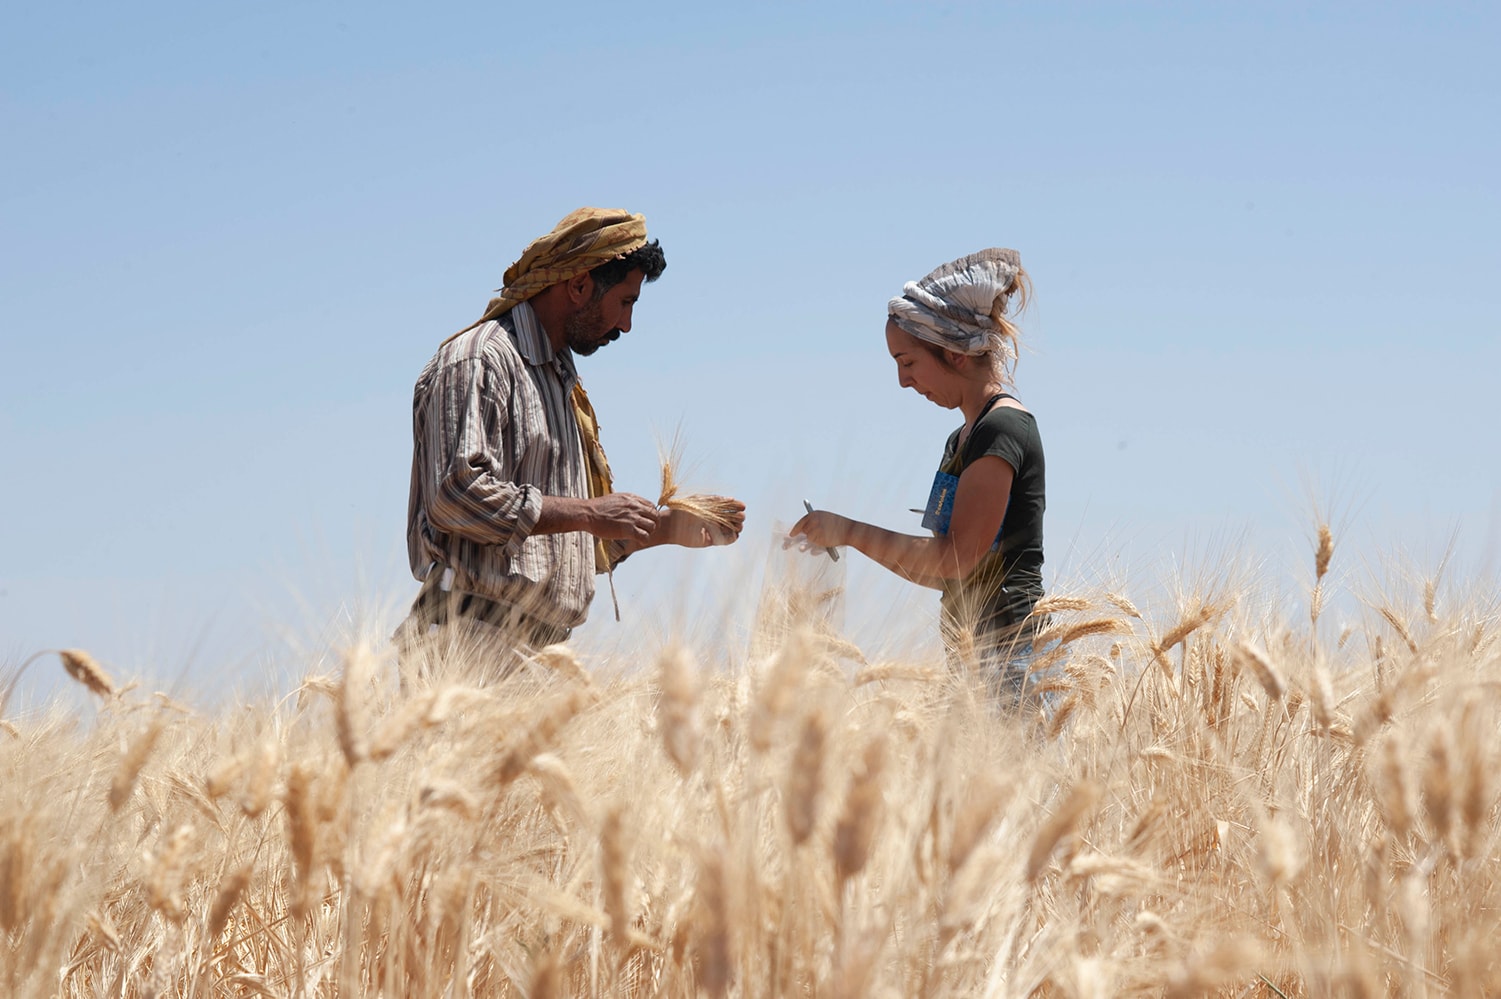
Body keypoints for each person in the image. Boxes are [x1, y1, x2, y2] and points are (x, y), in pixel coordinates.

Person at [399, 207, 746, 678]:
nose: (626, 325)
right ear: (580, 286)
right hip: (466, 647)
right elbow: (456, 495)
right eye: (626, 302)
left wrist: (666, 528)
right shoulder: (479, 361)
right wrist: (590, 512)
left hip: (539, 657)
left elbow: (563, 538)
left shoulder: (560, 380)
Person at [789, 248, 1047, 706]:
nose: (903, 382)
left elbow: (955, 559)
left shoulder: (1002, 429)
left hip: (1011, 663)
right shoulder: (960, 440)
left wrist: (849, 531)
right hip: (971, 662)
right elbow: (940, 573)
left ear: (955, 354)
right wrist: (844, 536)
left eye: (908, 362)